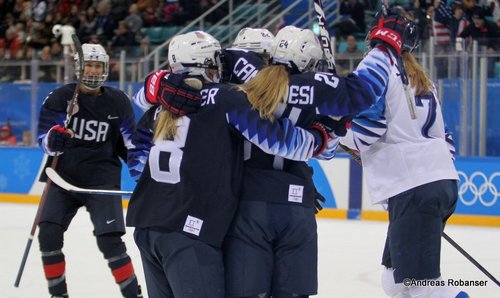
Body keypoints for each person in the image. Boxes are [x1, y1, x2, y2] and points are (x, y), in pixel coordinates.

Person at [126, 31, 323, 298]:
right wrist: (321, 138)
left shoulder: (159, 106)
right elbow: (278, 140)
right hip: (189, 227)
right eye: (213, 64)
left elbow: (137, 162)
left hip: (147, 223)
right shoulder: (224, 98)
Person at [222, 24, 405, 297]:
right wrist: (332, 126)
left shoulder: (246, 85)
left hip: (249, 205)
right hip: (297, 208)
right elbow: (329, 149)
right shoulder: (319, 91)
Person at [340, 10, 469, 298]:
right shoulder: (422, 80)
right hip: (440, 183)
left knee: (423, 287)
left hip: (414, 187)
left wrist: (336, 130)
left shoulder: (377, 68)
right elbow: (445, 139)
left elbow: (367, 131)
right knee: (393, 280)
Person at [36, 43, 142, 298]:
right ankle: (58, 294)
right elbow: (43, 139)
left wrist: (143, 175)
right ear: (78, 68)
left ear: (105, 69)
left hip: (101, 180)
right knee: (48, 234)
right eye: (88, 65)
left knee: (110, 242)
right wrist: (53, 140)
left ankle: (133, 295)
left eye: (98, 65)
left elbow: (132, 145)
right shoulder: (60, 98)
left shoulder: (118, 101)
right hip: (63, 177)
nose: (93, 71)